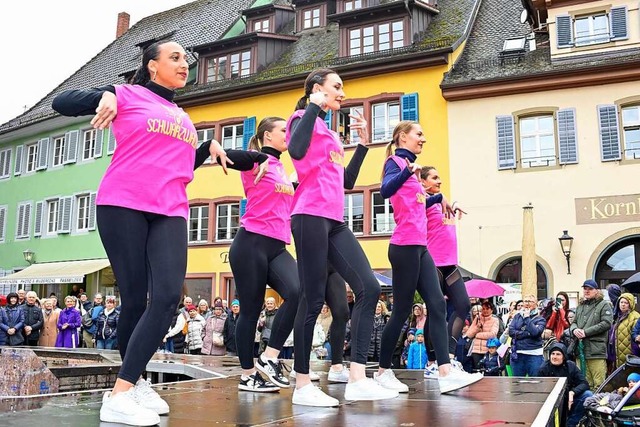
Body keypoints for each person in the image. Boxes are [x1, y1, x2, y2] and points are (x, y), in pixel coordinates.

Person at [51, 41, 230, 426]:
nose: (185, 64)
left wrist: (206, 147)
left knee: (166, 298)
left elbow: (175, 163)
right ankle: (126, 389)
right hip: (124, 204)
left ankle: (129, 384)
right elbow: (61, 102)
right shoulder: (128, 95)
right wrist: (108, 94)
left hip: (170, 210)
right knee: (134, 300)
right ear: (152, 66)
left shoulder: (181, 114)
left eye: (187, 59)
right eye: (176, 58)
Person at [286, 68, 397, 406]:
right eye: (337, 87)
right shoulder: (301, 117)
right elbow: (296, 150)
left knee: (370, 287)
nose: (342, 93)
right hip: (308, 215)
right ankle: (303, 384)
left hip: (334, 219)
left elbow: (345, 181)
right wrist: (315, 106)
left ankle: (358, 376)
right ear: (317, 89)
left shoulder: (332, 135)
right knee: (312, 297)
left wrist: (362, 145)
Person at [375, 121, 482, 395]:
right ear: (403, 137)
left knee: (436, 305)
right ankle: (383, 370)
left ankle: (444, 370)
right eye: (418, 134)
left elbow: (418, 203)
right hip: (404, 247)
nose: (423, 139)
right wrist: (408, 172)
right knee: (400, 311)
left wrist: (441, 198)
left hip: (420, 247)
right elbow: (386, 190)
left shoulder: (413, 173)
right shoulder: (396, 163)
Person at [211, 116, 297, 392]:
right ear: (268, 136)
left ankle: (269, 357)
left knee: (299, 291)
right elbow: (227, 155)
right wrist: (257, 157)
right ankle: (248, 374)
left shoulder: (282, 169)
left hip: (277, 246)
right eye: (284, 130)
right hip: (251, 245)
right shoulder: (257, 161)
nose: (289, 134)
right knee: (250, 310)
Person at [420, 166, 471, 352]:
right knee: (435, 311)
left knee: (464, 305)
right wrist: (440, 198)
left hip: (450, 264)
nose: (439, 181)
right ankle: (433, 359)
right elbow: (416, 205)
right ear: (423, 181)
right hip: (433, 264)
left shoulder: (444, 204)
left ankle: (448, 354)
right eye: (434, 178)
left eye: (439, 177)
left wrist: (452, 204)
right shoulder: (423, 201)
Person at [570, 279, 613, 390]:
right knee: (583, 383)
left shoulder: (604, 305)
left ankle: (596, 406)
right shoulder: (580, 306)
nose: (587, 291)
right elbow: (574, 322)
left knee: (599, 384)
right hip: (580, 350)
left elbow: (606, 323)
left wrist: (585, 332)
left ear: (597, 291)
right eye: (585, 289)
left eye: (590, 289)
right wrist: (574, 330)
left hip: (596, 351)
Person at [538, 342, 593, 427]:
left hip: (569, 397)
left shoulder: (571, 366)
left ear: (563, 356)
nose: (554, 357)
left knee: (588, 395)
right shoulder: (544, 368)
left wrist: (572, 392)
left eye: (558, 354)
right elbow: (540, 391)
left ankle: (571, 423)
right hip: (551, 401)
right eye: (552, 354)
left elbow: (584, 383)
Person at [508, 294, 546, 377]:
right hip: (517, 354)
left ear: (536, 303)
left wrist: (527, 318)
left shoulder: (540, 319)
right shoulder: (517, 316)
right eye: (525, 301)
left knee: (535, 383)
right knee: (517, 383)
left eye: (530, 301)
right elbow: (511, 332)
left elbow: (535, 332)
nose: (527, 303)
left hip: (534, 355)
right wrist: (527, 333)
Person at [609, 293, 640, 371]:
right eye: (621, 302)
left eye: (626, 303)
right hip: (618, 354)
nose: (623, 305)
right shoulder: (617, 316)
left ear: (631, 304)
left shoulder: (635, 316)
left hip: (630, 353)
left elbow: (635, 334)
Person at [465, 300, 500, 369]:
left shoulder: (495, 320)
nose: (485, 311)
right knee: (477, 369)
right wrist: (477, 328)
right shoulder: (477, 318)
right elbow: (468, 334)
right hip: (476, 350)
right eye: (483, 309)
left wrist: (477, 335)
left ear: (491, 310)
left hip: (488, 349)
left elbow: (492, 334)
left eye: (487, 309)